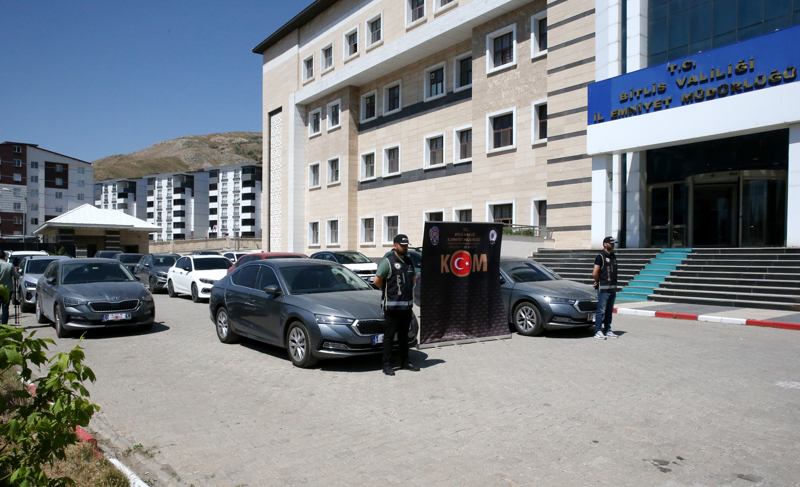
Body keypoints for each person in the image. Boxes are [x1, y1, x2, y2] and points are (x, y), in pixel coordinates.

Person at [373, 234, 420, 376]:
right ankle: (386, 365)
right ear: (395, 246)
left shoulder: (409, 261)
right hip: (392, 307)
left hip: (407, 307)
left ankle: (405, 362)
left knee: (403, 336)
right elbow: (377, 281)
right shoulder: (388, 261)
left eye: (406, 245)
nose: (405, 248)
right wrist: (389, 291)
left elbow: (413, 278)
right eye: (402, 245)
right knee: (389, 336)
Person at [592, 236, 619, 340]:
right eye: (611, 243)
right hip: (603, 289)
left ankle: (608, 330)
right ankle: (598, 331)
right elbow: (595, 273)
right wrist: (597, 281)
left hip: (612, 289)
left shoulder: (613, 256)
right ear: (605, 244)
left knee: (609, 311)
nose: (612, 245)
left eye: (613, 243)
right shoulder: (600, 257)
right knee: (601, 311)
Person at [0, 252, 18, 325]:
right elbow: (16, 276)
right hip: (7, 290)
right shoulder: (10, 265)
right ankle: (4, 325)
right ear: (4, 256)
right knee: (5, 308)